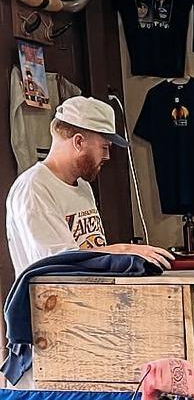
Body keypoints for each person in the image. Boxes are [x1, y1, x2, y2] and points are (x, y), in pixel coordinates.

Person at [6, 96, 173, 276]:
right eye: (104, 147)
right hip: (52, 302)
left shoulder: (83, 186)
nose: (108, 156)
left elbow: (91, 253)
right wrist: (122, 250)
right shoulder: (34, 188)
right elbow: (56, 265)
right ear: (79, 142)